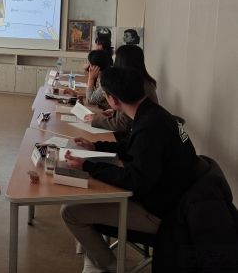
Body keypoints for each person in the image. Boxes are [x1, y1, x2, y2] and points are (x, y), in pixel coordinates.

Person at [61, 67, 198, 273]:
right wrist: (95, 146)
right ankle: (99, 259)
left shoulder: (148, 127)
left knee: (70, 211)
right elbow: (132, 147)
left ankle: (109, 265)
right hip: (173, 198)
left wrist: (87, 166)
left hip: (162, 214)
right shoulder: (153, 113)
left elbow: (135, 180)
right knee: (89, 192)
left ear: (113, 100)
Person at [87, 45, 158, 132]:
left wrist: (96, 120)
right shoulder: (145, 82)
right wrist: (115, 112)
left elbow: (122, 124)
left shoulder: (133, 86)